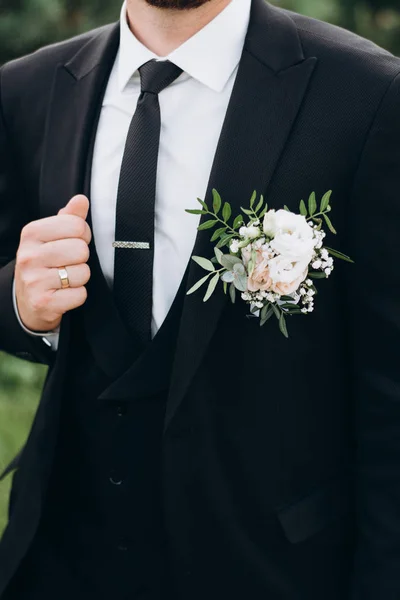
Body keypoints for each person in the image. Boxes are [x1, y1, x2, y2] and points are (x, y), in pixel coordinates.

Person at [0, 0, 400, 597]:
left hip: (268, 566)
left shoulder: (368, 95)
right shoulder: (26, 89)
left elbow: (389, 395)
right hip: (60, 560)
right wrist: (21, 308)